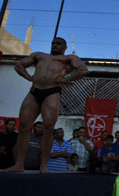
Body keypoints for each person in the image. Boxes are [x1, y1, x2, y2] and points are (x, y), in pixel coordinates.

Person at [1, 38, 88, 173]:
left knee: (48, 127)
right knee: (24, 126)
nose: (54, 45)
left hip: (52, 91)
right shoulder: (39, 55)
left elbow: (83, 70)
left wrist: (65, 79)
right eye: (53, 43)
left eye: (58, 43)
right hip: (34, 90)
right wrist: (28, 77)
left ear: (65, 47)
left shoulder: (69, 58)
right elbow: (19, 65)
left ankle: (44, 165)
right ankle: (19, 164)